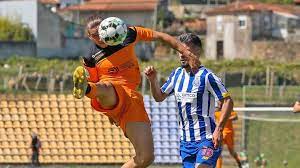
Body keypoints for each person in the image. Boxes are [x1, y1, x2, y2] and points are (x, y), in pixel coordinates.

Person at [72, 16, 200, 168]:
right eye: (94, 35)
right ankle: (84, 88)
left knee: (145, 157)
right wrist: (108, 111)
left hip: (132, 98)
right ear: (88, 36)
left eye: (100, 32)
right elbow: (96, 82)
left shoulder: (128, 34)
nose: (99, 37)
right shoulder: (90, 57)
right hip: (109, 92)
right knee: (105, 87)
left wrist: (186, 52)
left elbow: (160, 36)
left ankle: (88, 88)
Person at [144, 33, 233, 168]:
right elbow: (159, 97)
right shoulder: (176, 75)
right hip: (186, 143)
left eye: (186, 51)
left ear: (197, 52)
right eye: (179, 51)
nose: (181, 54)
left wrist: (219, 129)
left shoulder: (207, 76)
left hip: (207, 139)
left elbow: (228, 101)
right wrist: (153, 80)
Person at [215, 103, 242, 168]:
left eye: (220, 102)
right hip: (221, 133)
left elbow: (235, 117)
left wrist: (227, 118)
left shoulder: (228, 110)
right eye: (218, 103)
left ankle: (239, 162)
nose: (218, 104)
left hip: (229, 133)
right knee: (219, 151)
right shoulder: (216, 112)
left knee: (231, 152)